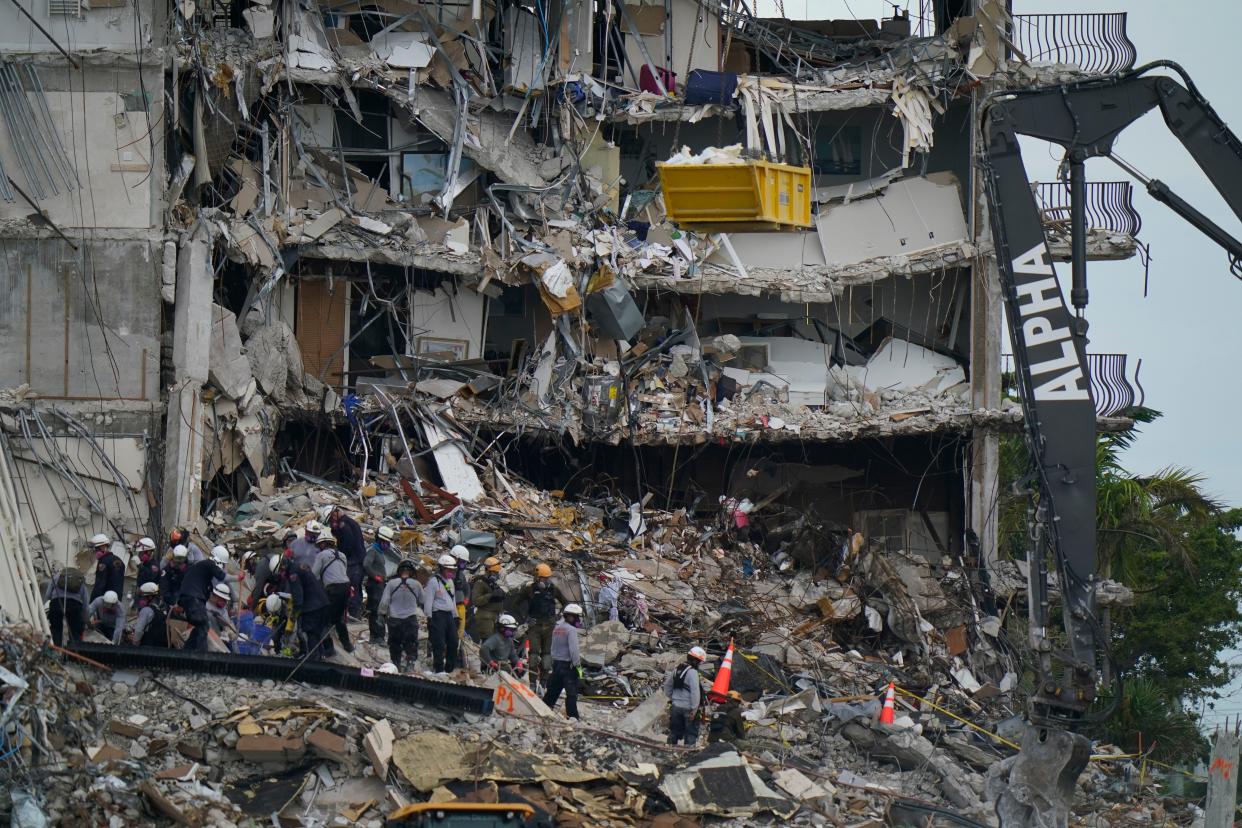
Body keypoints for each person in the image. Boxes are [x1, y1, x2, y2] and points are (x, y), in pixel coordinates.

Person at [276, 556, 332, 659]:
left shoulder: (293, 573)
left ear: (283, 566)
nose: (280, 574)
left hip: (313, 607)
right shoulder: (297, 567)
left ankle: (314, 661)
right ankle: (320, 657)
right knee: (316, 633)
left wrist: (294, 614)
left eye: (280, 571)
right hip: (322, 603)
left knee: (310, 632)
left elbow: (298, 596)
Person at [516, 563, 564, 679]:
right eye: (543, 578)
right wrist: (526, 618)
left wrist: (559, 615)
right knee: (533, 655)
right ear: (537, 577)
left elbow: (565, 603)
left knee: (547, 656)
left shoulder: (553, 590)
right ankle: (532, 682)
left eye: (547, 578)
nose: (546, 580)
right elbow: (516, 603)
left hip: (549, 626)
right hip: (535, 626)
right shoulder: (529, 589)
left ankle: (543, 683)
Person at [178, 546, 230, 652]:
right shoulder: (203, 571)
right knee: (203, 625)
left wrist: (228, 631)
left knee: (201, 627)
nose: (222, 602)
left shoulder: (223, 611)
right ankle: (201, 654)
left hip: (193, 602)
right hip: (192, 602)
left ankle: (187, 651)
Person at [321, 505, 366, 618]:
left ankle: (353, 614)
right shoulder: (349, 522)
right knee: (356, 588)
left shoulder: (344, 525)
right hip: (358, 561)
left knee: (352, 588)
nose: (331, 523)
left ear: (335, 514)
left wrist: (339, 555)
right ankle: (356, 613)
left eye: (331, 519)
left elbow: (348, 545)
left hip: (353, 562)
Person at [312, 530, 354, 653]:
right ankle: (347, 645)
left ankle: (329, 649)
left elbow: (314, 575)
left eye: (320, 545)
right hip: (346, 588)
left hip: (333, 590)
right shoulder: (342, 555)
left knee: (323, 620)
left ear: (323, 544)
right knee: (339, 619)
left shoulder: (321, 555)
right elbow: (342, 572)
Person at [378, 558, 423, 671]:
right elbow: (423, 601)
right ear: (412, 572)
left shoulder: (391, 583)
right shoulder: (417, 584)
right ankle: (410, 664)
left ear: (399, 571)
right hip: (410, 619)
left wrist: (381, 615)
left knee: (394, 643)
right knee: (411, 642)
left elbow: (384, 602)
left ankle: (396, 664)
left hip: (394, 619)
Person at [542, 603, 583, 720]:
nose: (578, 620)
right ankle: (572, 716)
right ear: (570, 616)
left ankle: (543, 709)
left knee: (553, 691)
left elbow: (552, 647)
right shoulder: (571, 630)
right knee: (571, 693)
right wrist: (578, 667)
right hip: (568, 666)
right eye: (577, 617)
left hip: (556, 664)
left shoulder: (557, 628)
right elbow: (574, 650)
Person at [422, 553, 459, 673]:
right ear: (442, 568)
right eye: (449, 570)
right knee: (439, 643)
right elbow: (428, 601)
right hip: (438, 615)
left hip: (449, 616)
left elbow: (452, 600)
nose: (451, 572)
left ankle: (449, 668)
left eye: (452, 570)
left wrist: (456, 616)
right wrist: (429, 617)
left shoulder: (450, 582)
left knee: (453, 643)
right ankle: (438, 669)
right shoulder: (434, 582)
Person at [664, 646, 706, 745]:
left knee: (674, 731)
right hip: (688, 708)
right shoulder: (693, 672)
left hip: (676, 706)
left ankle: (670, 749)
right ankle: (688, 753)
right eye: (699, 662)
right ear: (696, 661)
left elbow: (667, 686)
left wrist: (673, 698)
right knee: (690, 733)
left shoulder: (676, 669)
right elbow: (695, 693)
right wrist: (694, 710)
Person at [364, 526, 397, 644]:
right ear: (380, 540)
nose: (387, 545)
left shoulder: (379, 552)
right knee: (376, 610)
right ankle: (376, 637)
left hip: (380, 585)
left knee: (381, 609)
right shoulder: (373, 551)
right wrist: (375, 576)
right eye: (386, 542)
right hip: (375, 585)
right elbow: (366, 565)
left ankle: (379, 636)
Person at [45, 565, 88, 647]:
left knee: (56, 629)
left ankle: (57, 651)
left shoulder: (57, 577)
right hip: (75, 606)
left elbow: (47, 595)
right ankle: (74, 654)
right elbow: (85, 605)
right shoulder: (79, 580)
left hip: (56, 603)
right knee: (74, 631)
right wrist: (86, 620)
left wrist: (50, 603)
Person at [468, 557, 506, 639]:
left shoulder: (495, 583)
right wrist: (490, 595)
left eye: (497, 573)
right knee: (487, 642)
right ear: (488, 571)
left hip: (495, 616)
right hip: (485, 617)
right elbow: (476, 600)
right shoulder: (480, 582)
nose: (496, 575)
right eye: (494, 572)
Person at [88, 534, 124, 604]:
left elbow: (100, 585)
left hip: (105, 601)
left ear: (103, 546)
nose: (95, 551)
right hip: (117, 601)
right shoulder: (119, 560)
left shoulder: (103, 562)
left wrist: (92, 603)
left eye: (96, 549)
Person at [131, 581, 169, 648]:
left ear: (150, 597)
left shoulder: (146, 610)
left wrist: (135, 643)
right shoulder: (161, 610)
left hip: (146, 647)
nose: (142, 599)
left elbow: (139, 630)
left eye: (144, 597)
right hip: (160, 648)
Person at [451, 545, 471, 637]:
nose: (464, 564)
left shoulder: (461, 574)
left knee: (460, 633)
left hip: (460, 607)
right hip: (449, 608)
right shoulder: (445, 572)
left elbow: (467, 588)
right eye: (462, 562)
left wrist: (466, 598)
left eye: (464, 562)